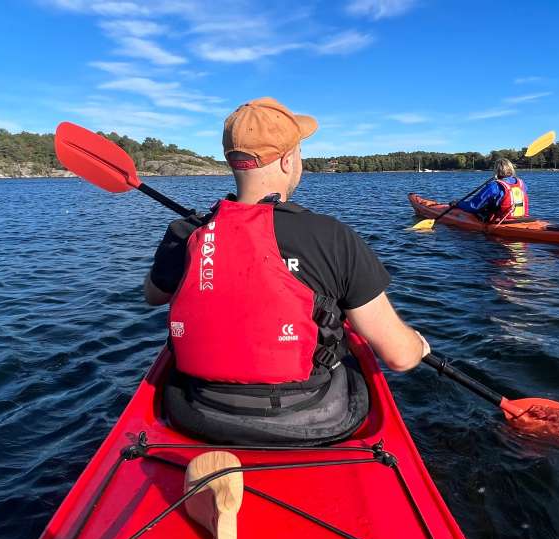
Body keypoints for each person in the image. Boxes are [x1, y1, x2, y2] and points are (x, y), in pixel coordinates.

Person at [143, 97, 429, 445]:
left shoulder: (186, 233)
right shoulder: (330, 236)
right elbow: (399, 357)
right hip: (310, 415)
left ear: (232, 161)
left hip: (199, 411)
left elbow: (152, 295)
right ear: (288, 160)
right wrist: (419, 346)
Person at [452, 158, 529, 222]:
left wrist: (458, 203)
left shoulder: (494, 185)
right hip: (522, 220)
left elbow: (473, 206)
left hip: (501, 221)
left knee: (482, 207)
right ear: (511, 169)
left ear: (496, 170)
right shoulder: (522, 183)